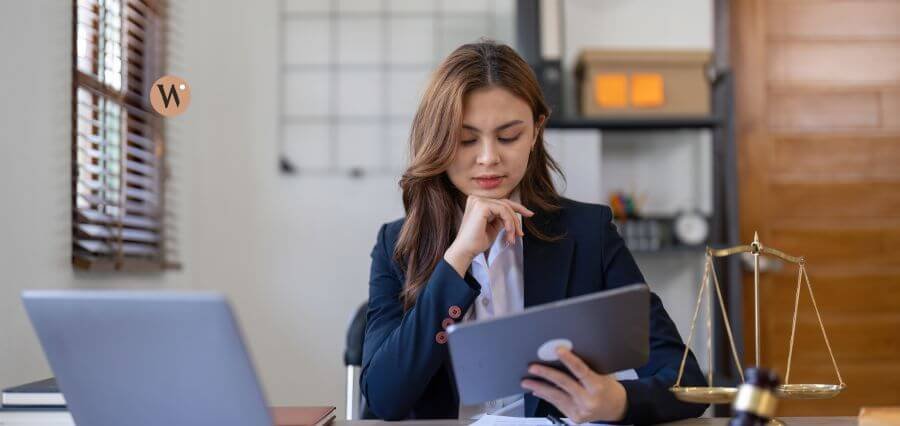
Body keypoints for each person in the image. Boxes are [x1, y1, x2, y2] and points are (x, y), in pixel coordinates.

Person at [360, 40, 708, 424]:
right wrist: (456, 258)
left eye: (508, 136)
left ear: (536, 129)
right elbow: (383, 399)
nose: (489, 157)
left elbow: (687, 383)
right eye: (466, 140)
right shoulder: (398, 244)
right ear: (439, 140)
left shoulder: (587, 233)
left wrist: (619, 401)